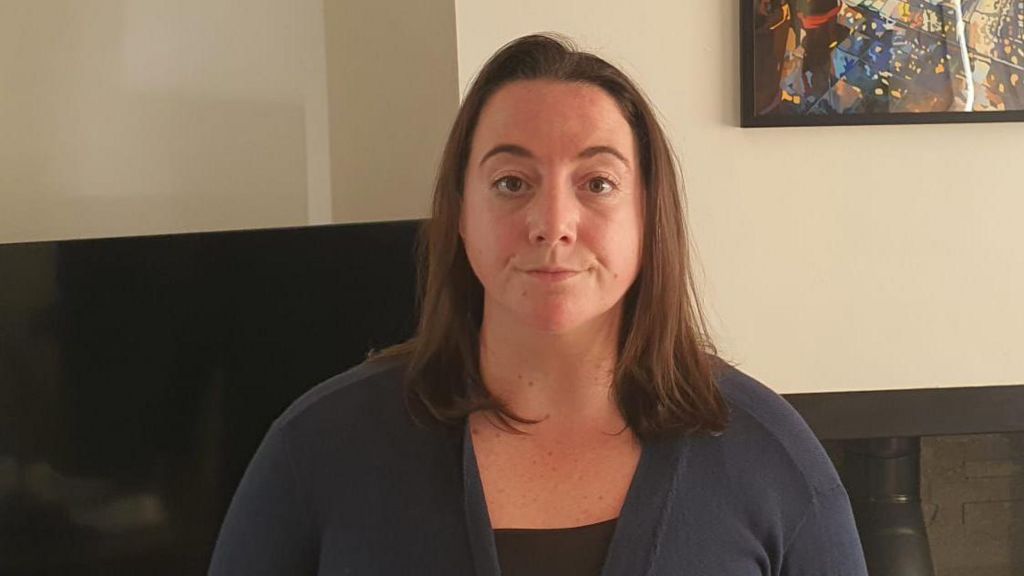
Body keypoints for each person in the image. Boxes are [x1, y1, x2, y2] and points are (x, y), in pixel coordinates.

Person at [209, 34, 868, 575]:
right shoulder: (319, 447)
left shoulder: (771, 456)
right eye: (511, 182)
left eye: (598, 182)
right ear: (460, 213)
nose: (552, 222)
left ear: (648, 217)